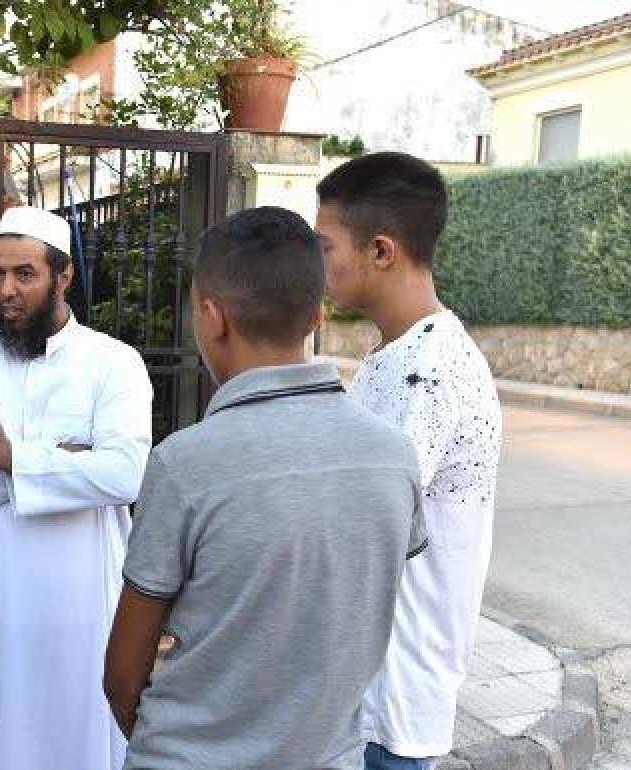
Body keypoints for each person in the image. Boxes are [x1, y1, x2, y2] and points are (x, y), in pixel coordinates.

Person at [104, 207, 429, 770]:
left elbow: (122, 676)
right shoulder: (395, 456)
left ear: (211, 317)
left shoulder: (185, 465)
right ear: (317, 315)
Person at [0, 206, 153, 770]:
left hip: (77, 610)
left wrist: (12, 457)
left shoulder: (114, 364)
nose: (7, 289)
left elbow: (125, 474)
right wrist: (62, 465)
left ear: (63, 276)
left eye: (24, 274)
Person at [316, 153, 503, 770]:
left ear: (382, 251)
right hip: (371, 682)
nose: (318, 265)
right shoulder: (394, 357)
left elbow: (366, 525)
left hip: (394, 692)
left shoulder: (429, 371)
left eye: (326, 246)